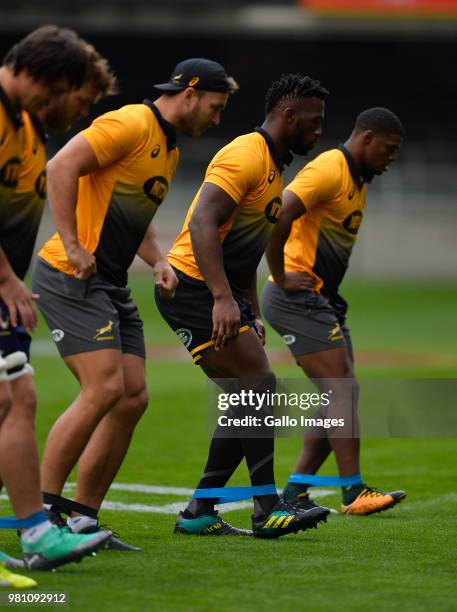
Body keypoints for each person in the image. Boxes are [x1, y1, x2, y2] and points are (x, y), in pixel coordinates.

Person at [31, 58, 238, 549]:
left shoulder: (165, 147)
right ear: (189, 93)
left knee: (132, 397)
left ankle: (81, 517)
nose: (217, 118)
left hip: (111, 282)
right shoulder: (131, 122)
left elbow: (132, 210)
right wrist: (73, 243)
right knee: (104, 389)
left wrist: (158, 259)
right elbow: (61, 166)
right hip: (70, 273)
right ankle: (37, 516)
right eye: (214, 107)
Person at [156, 73, 331, 538]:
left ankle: (200, 510)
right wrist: (220, 298)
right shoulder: (245, 154)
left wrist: (249, 310)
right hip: (191, 286)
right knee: (260, 384)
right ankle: (266, 507)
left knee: (245, 400)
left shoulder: (273, 169)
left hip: (216, 290)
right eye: (312, 123)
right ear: (288, 116)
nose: (317, 133)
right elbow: (201, 223)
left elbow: (243, 250)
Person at [0, 26, 112, 583]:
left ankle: (36, 530)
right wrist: (6, 281)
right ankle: (37, 530)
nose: (64, 104)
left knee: (15, 398)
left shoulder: (25, 127)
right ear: (44, 74)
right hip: (2, 288)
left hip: (6, 291)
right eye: (70, 91)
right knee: (16, 397)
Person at [262, 107, 407, 515]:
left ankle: (296, 490)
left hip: (322, 298)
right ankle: (353, 490)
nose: (391, 158)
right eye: (388, 149)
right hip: (295, 295)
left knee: (340, 394)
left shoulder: (357, 180)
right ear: (366, 138)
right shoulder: (330, 168)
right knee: (341, 389)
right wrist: (281, 273)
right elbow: (278, 215)